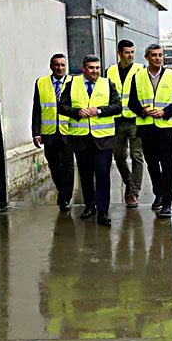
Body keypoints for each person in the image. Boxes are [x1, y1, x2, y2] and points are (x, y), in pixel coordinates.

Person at [57, 55, 122, 225]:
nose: (95, 71)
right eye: (91, 68)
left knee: (102, 174)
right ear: (84, 69)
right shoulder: (72, 84)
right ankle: (89, 206)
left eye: (97, 68)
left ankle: (103, 211)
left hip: (103, 139)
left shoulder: (108, 84)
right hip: (80, 138)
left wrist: (99, 111)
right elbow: (61, 107)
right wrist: (76, 112)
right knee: (85, 175)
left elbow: (118, 106)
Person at [129, 44, 172, 219]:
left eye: (160, 55)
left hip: (166, 128)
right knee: (152, 164)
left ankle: (167, 202)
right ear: (146, 57)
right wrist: (143, 111)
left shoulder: (171, 75)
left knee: (168, 165)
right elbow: (132, 103)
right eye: (154, 55)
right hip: (146, 128)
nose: (157, 58)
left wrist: (164, 112)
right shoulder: (138, 77)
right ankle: (158, 192)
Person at [31, 53, 75, 212]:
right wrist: (36, 132)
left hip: (68, 132)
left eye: (63, 65)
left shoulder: (74, 82)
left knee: (69, 167)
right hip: (48, 133)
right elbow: (36, 109)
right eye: (56, 65)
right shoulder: (41, 83)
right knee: (55, 166)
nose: (60, 68)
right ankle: (62, 192)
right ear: (51, 66)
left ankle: (65, 198)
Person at [105, 40, 145, 209]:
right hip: (117, 121)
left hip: (136, 119)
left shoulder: (140, 69)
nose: (130, 55)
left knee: (137, 156)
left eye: (132, 52)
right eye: (127, 52)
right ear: (119, 53)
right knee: (119, 157)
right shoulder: (110, 71)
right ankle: (129, 183)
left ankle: (133, 193)